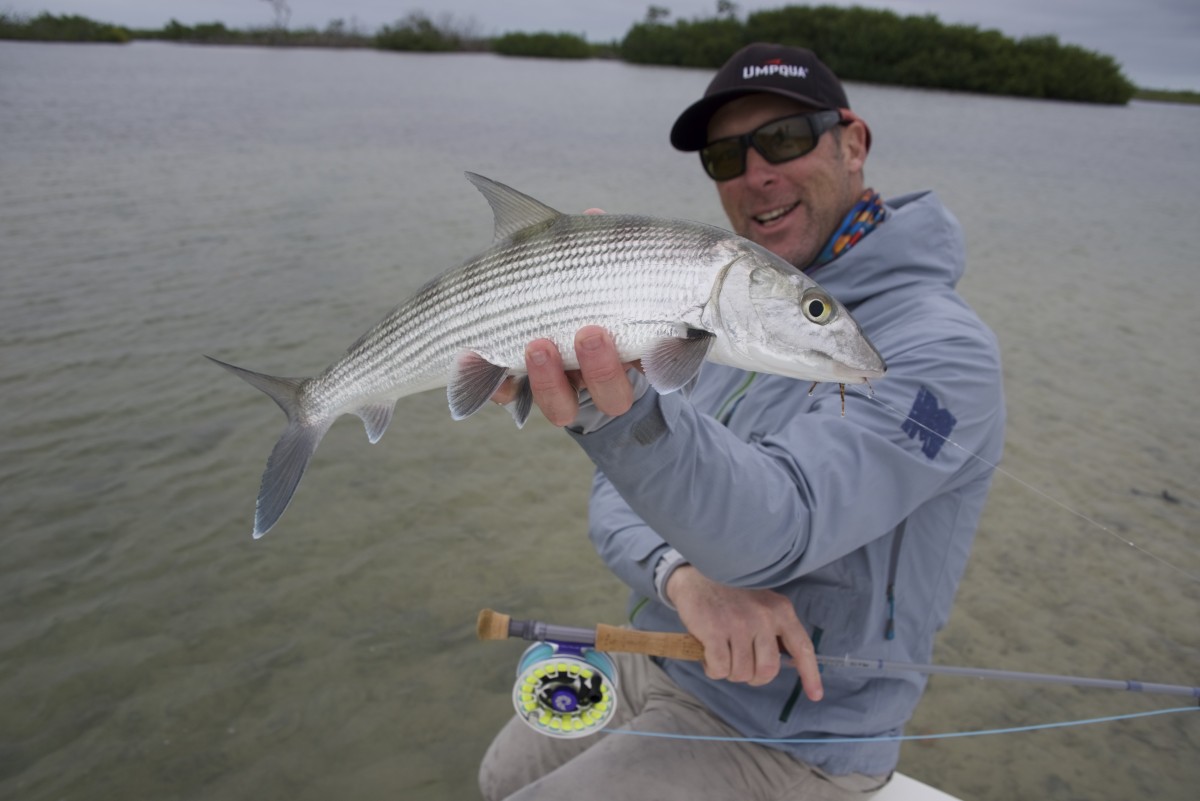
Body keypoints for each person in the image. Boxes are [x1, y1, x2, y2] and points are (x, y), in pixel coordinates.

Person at [479, 43, 1005, 800]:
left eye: (786, 139)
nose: (756, 173)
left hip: (793, 730)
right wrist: (683, 576)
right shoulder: (728, 307)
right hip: (663, 645)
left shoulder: (942, 350)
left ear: (852, 142)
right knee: (501, 773)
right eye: (726, 156)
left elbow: (777, 527)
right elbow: (615, 498)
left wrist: (609, 409)